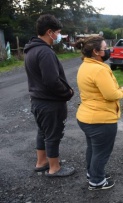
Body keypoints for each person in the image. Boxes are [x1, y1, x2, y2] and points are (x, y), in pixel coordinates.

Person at [23, 14, 75, 177]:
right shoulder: (45, 52)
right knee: (53, 134)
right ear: (49, 32)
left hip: (38, 101)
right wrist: (67, 92)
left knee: (43, 132)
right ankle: (54, 168)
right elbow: (52, 81)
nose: (59, 36)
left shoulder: (31, 49)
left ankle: (42, 162)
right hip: (50, 103)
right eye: (58, 32)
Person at [75, 36, 123, 191]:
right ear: (96, 52)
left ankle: (93, 174)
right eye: (105, 48)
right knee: (102, 152)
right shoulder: (99, 69)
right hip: (101, 120)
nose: (108, 51)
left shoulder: (85, 65)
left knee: (93, 149)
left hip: (86, 117)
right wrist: (122, 91)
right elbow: (110, 94)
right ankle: (97, 181)